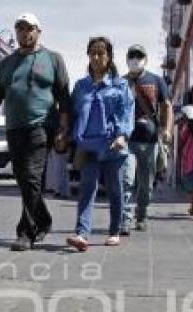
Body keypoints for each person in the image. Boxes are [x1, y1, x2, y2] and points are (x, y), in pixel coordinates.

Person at [0, 12, 72, 251]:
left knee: (31, 177)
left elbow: (64, 97)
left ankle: (26, 232)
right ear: (16, 32)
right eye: (20, 28)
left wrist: (63, 129)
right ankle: (43, 219)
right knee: (23, 179)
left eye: (30, 28)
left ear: (38, 32)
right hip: (13, 128)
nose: (25, 32)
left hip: (42, 126)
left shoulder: (53, 59)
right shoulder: (6, 63)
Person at [66, 36, 134, 252]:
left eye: (101, 53)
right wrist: (68, 136)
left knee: (115, 189)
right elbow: (74, 113)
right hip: (88, 145)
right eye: (92, 53)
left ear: (109, 56)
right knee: (87, 189)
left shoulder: (120, 85)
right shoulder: (81, 86)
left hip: (112, 144)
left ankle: (114, 231)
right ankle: (82, 234)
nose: (96, 57)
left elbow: (126, 112)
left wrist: (122, 135)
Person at [123, 44, 173, 232]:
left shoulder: (156, 80)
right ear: (127, 59)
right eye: (132, 55)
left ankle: (141, 214)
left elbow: (167, 106)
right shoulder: (121, 82)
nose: (135, 59)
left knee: (146, 182)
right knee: (126, 179)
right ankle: (125, 219)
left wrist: (167, 129)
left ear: (145, 58)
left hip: (149, 140)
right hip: (126, 140)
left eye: (139, 55)